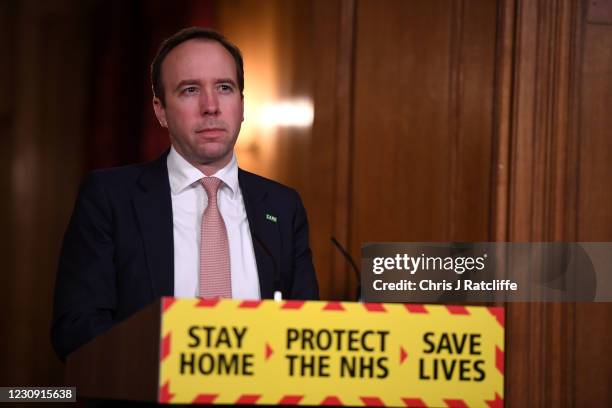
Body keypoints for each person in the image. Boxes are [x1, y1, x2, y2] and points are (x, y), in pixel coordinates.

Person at [51, 27, 319, 361]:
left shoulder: (282, 206)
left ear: (241, 104)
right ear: (160, 110)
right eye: (190, 90)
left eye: (224, 87)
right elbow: (76, 328)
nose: (211, 106)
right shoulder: (110, 198)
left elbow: (308, 332)